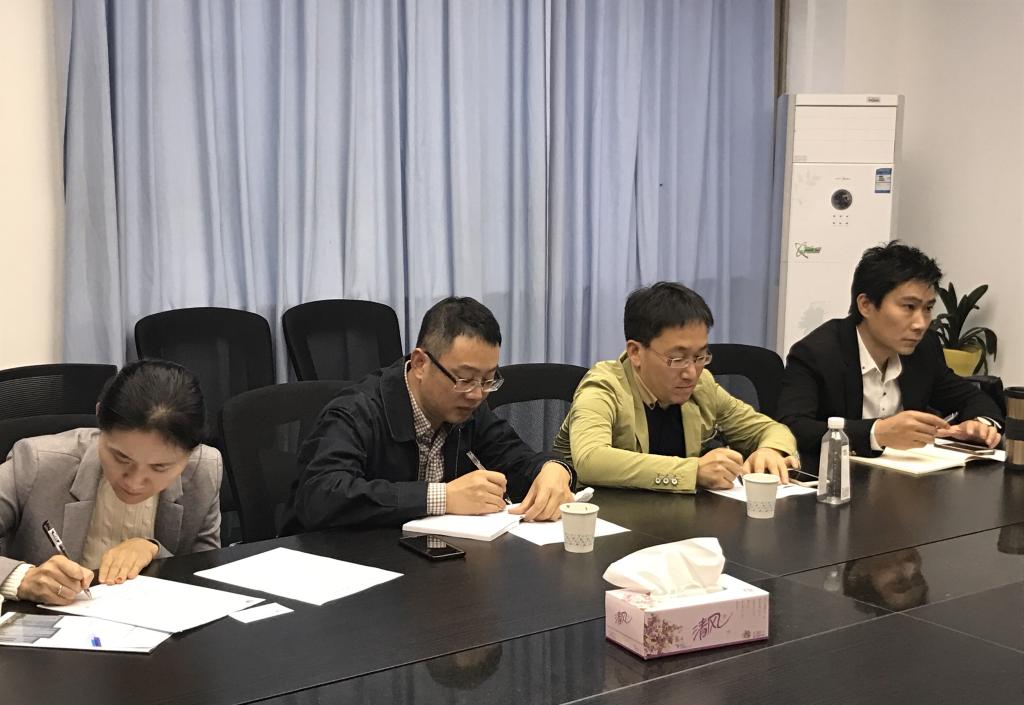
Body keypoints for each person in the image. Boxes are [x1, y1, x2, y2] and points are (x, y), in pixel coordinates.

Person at [288, 296, 575, 530]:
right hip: (345, 565)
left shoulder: (470, 409)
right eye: (464, 378)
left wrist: (553, 469)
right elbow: (321, 495)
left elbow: (515, 458)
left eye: (488, 380)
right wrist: (443, 497)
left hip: (427, 562)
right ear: (420, 363)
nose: (477, 394)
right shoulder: (357, 411)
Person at [0, 359, 222, 606]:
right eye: (121, 458)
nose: (135, 483)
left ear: (191, 452)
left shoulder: (204, 469)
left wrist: (153, 551)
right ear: (99, 419)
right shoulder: (36, 462)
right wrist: (22, 578)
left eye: (160, 467)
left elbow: (206, 572)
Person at [552, 282, 798, 491]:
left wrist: (770, 451)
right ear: (635, 352)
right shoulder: (604, 387)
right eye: (677, 359)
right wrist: (693, 471)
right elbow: (591, 460)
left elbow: (769, 429)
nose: (691, 373)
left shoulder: (702, 386)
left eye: (700, 356)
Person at [777, 241, 1003, 457]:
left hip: (910, 477)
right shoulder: (818, 353)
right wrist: (877, 433)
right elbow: (793, 427)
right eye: (909, 307)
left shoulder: (924, 349)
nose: (921, 324)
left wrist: (979, 425)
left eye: (927, 308)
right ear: (865, 305)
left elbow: (973, 398)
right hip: (840, 477)